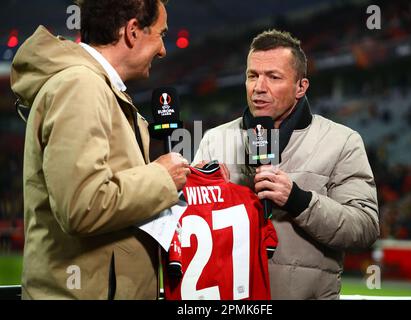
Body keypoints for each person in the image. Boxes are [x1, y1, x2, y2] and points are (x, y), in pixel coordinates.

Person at [10, 0, 190, 299]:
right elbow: (83, 205)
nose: (163, 50)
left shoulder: (95, 85)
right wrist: (162, 178)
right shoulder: (81, 85)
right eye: (161, 34)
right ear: (133, 31)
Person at [194, 30, 380, 299]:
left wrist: (299, 200)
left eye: (273, 77)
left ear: (301, 87)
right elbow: (190, 223)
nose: (259, 87)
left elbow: (363, 228)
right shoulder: (215, 140)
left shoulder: (342, 142)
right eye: (252, 75)